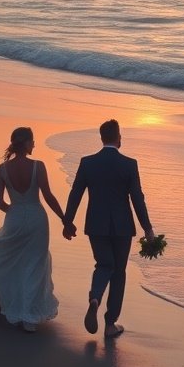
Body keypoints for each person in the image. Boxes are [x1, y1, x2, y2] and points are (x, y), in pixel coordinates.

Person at [0, 127, 72, 332]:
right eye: (33, 141)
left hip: (14, 217)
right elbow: (48, 196)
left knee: (8, 260)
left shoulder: (2, 169)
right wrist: (65, 219)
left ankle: (2, 301)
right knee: (34, 264)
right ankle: (28, 316)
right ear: (27, 143)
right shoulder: (38, 166)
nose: (35, 145)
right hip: (37, 219)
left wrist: (14, 213)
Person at [62, 119, 154, 339]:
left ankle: (95, 298)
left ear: (102, 137)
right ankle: (110, 323)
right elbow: (137, 199)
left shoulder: (87, 163)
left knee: (103, 264)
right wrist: (147, 228)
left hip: (96, 224)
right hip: (122, 227)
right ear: (118, 137)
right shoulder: (129, 164)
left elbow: (75, 193)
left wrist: (68, 222)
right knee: (118, 273)